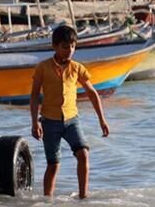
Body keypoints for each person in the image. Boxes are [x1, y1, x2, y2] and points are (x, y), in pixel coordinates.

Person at [29, 25, 109, 199]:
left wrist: (102, 120)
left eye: (73, 46)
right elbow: (34, 95)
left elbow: (92, 93)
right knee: (54, 165)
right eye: (65, 47)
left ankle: (83, 197)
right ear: (55, 47)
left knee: (83, 154)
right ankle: (47, 200)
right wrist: (35, 122)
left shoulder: (77, 68)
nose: (70, 51)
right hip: (49, 122)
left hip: (72, 120)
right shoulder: (43, 67)